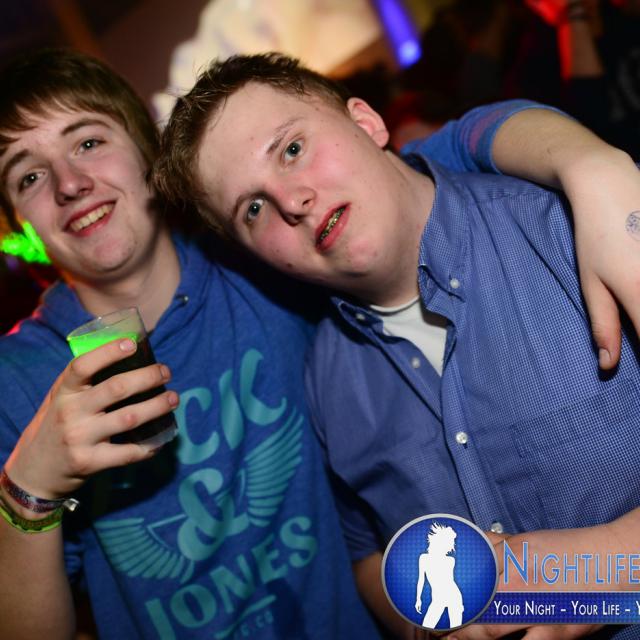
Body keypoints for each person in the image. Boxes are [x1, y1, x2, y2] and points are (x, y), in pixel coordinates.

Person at [154, 52, 640, 639]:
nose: (291, 199)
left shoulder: (573, 228)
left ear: (367, 122)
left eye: (292, 149)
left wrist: (601, 570)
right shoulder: (325, 380)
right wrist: (424, 623)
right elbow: (368, 556)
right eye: (252, 209)